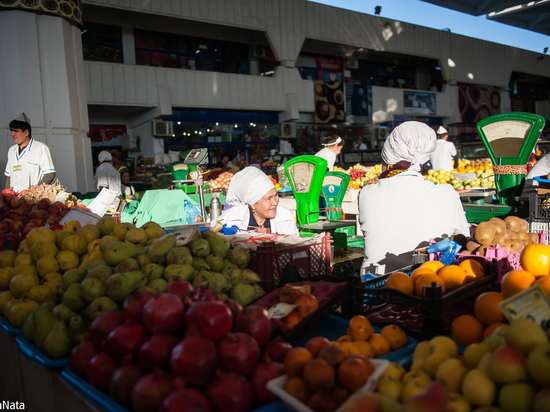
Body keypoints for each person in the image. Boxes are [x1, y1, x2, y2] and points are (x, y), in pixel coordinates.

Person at [358, 121, 470, 275]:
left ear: (387, 157)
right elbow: (465, 240)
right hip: (430, 284)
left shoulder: (367, 193)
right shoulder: (447, 192)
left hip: (374, 287)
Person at [217, 167, 298, 235]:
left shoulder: (286, 217)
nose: (275, 202)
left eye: (276, 195)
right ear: (252, 204)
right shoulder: (229, 219)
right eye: (268, 199)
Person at [5, 113, 56, 192]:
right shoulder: (11, 151)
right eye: (12, 131)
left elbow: (49, 174)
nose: (12, 134)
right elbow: (9, 177)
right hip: (14, 199)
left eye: (16, 131)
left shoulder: (40, 148)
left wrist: (35, 192)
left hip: (32, 201)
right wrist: (7, 195)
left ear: (26, 133)